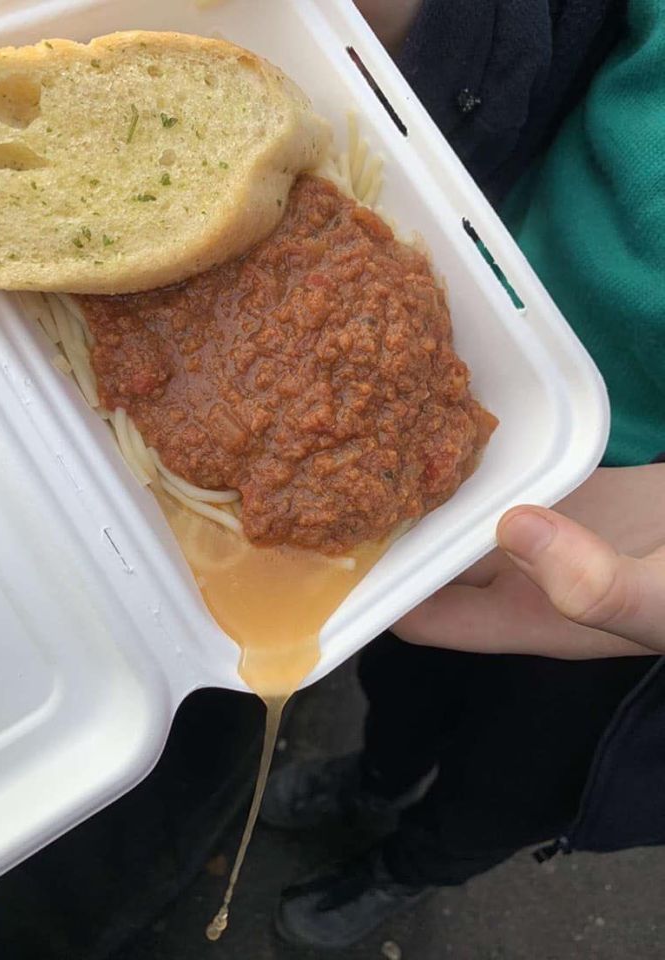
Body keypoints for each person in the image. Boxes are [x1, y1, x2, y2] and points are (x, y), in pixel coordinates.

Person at [263, 0, 665, 949]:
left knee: (520, 773)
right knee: (410, 659)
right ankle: (372, 779)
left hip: (644, 573)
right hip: (474, 366)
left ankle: (410, 866)